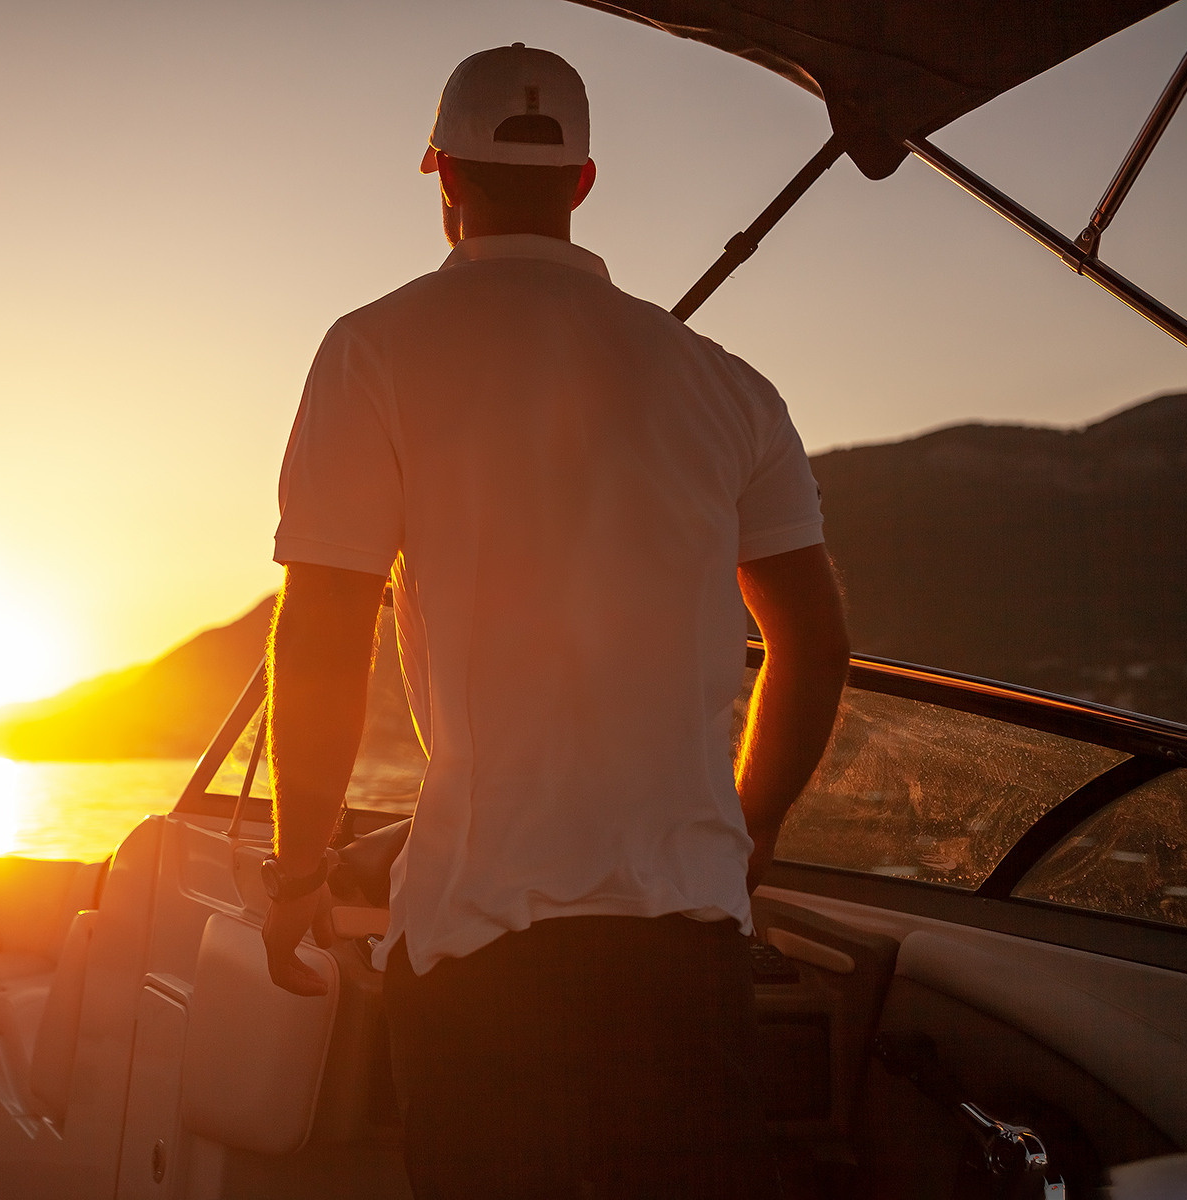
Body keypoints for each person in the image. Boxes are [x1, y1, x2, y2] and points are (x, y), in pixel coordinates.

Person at [257, 43, 851, 1199]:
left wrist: (294, 875)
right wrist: (749, 827)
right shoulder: (728, 383)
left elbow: (322, 632)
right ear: (583, 185)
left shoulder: (371, 351)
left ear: (442, 176)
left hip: (485, 950)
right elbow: (812, 643)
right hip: (686, 952)